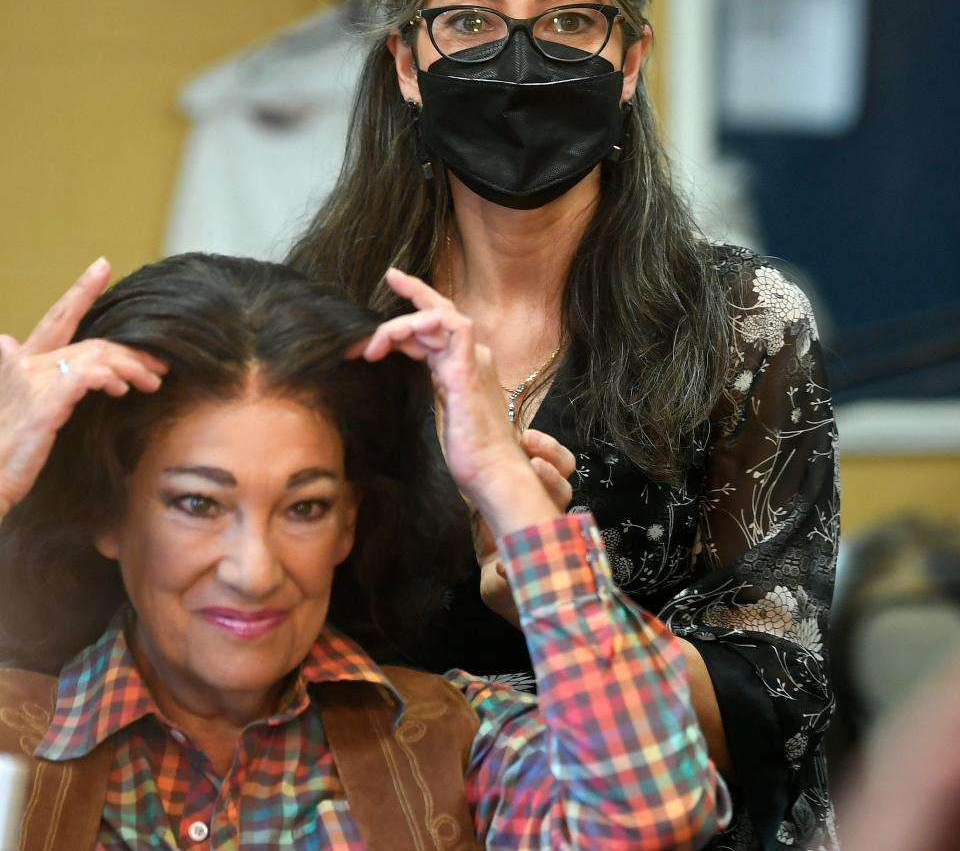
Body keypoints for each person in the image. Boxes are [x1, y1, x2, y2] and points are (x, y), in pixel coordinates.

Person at [286, 0, 840, 851]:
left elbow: (775, 704)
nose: (520, 60)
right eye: (470, 22)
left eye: (570, 21)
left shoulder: (743, 324)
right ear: (409, 62)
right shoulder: (315, 326)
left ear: (630, 59)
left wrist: (557, 593)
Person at [0, 253, 728, 849]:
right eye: (198, 504)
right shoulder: (12, 740)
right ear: (108, 515)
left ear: (349, 523)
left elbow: (654, 811)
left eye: (305, 507)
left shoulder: (448, 739)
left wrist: (505, 484)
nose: (254, 571)